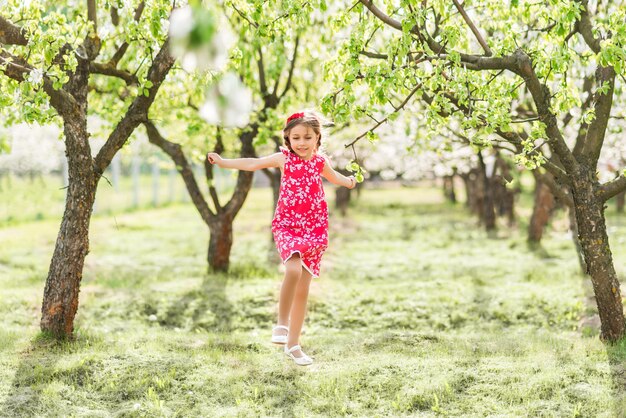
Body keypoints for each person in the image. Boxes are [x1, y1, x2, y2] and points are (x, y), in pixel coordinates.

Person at [206, 110, 357, 365]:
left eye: (307, 137)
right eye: (295, 137)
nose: (301, 143)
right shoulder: (283, 158)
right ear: (287, 138)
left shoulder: (320, 163)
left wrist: (351, 183)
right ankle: (281, 325)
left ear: (317, 137)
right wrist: (223, 162)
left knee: (303, 289)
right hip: (287, 225)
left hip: (314, 227)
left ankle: (294, 345)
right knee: (293, 271)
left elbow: (338, 179)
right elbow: (253, 163)